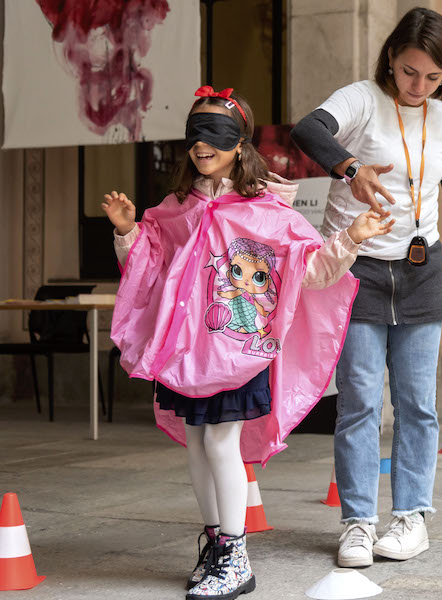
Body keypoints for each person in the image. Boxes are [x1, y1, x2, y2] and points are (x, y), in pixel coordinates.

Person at [102, 86, 393, 599]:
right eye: (195, 133)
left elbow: (312, 272)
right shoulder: (176, 209)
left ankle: (236, 555)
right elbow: (147, 271)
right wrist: (128, 231)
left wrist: (352, 238)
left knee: (220, 443)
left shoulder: (268, 212)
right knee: (196, 444)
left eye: (214, 134)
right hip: (189, 352)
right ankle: (216, 547)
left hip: (239, 351)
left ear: (239, 143)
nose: (201, 145)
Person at [291, 7, 442, 569]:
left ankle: (410, 517)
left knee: (417, 404)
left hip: (420, 272)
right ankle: (358, 523)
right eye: (411, 71)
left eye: (433, 77)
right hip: (356, 270)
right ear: (392, 57)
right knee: (361, 401)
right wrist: (348, 168)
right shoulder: (362, 99)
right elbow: (307, 129)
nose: (418, 86)